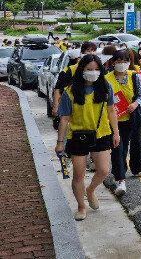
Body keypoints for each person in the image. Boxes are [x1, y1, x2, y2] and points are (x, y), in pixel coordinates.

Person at [54, 54, 120, 220]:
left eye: (97, 69)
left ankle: (90, 191)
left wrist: (116, 132)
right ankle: (81, 206)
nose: (93, 72)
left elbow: (111, 111)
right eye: (89, 69)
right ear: (81, 69)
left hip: (101, 134)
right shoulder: (70, 91)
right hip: (78, 136)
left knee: (104, 170)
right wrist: (60, 142)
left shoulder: (106, 87)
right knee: (78, 174)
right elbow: (65, 118)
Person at [105, 49, 141, 197]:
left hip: (132, 119)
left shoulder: (135, 77)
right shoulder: (106, 79)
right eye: (118, 62)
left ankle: (136, 167)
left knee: (135, 143)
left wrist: (136, 103)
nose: (122, 65)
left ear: (129, 62)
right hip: (114, 121)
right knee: (118, 148)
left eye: (125, 62)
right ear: (113, 63)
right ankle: (120, 179)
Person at [127, 49, 141, 177]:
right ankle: (119, 172)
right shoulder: (111, 74)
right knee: (120, 143)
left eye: (126, 59)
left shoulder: (138, 72)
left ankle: (137, 167)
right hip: (118, 114)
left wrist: (136, 103)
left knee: (135, 140)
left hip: (134, 112)